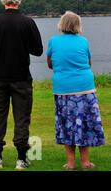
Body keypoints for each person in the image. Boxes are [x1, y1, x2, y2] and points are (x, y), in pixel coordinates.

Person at [0, 0, 43, 170]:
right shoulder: (28, 22)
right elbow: (38, 50)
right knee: (22, 117)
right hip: (22, 77)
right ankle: (21, 158)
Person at [47, 11, 105, 170]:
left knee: (66, 124)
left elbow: (50, 63)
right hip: (85, 88)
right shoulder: (83, 42)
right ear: (78, 25)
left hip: (63, 89)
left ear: (62, 24)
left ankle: (71, 163)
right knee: (85, 124)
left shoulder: (53, 41)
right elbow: (89, 63)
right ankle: (85, 162)